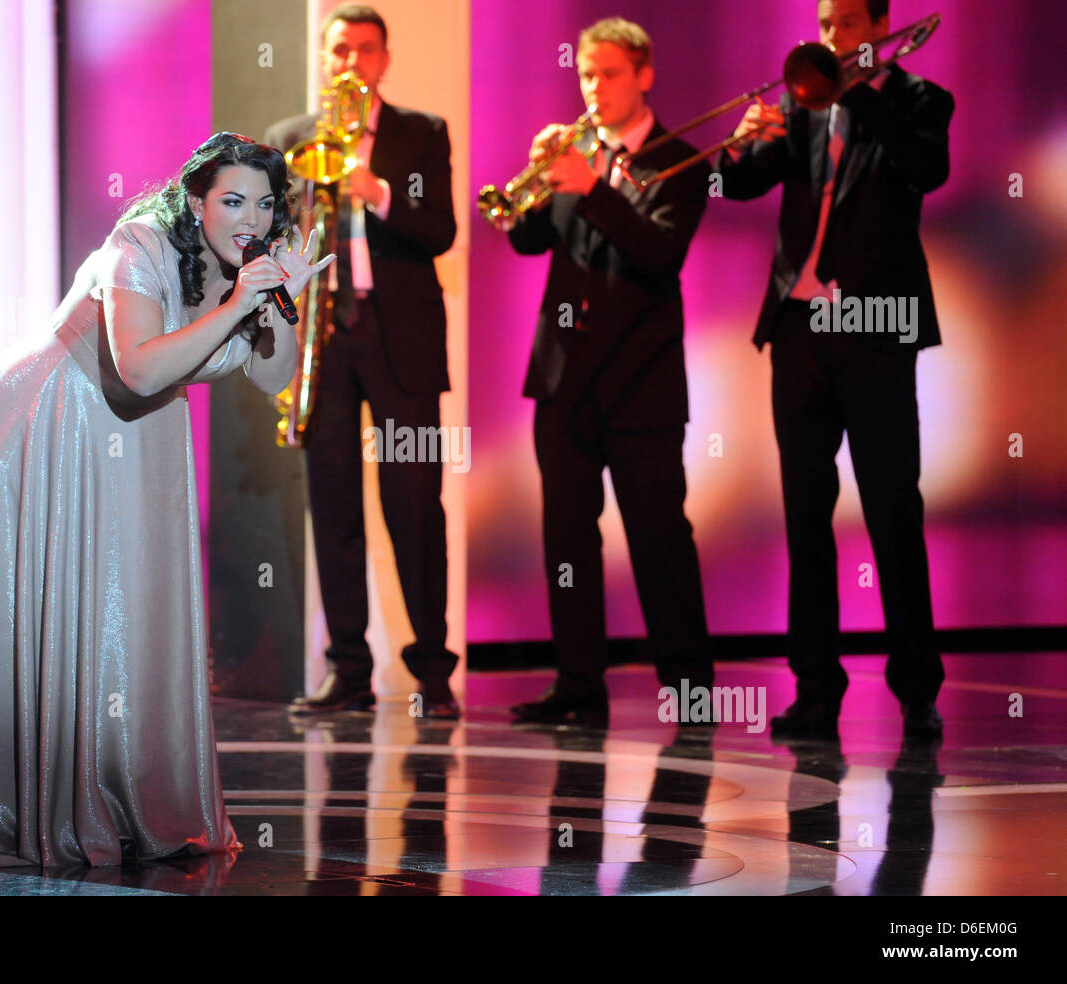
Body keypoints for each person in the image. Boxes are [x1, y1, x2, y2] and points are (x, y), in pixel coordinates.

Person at [0, 133, 334, 867]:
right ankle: (36, 809)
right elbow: (140, 370)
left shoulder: (248, 270)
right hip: (54, 417)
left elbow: (276, 383)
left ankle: (121, 797)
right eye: (232, 199)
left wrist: (277, 306)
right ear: (196, 199)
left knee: (124, 613)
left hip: (139, 436)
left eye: (264, 203)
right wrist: (242, 301)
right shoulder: (139, 242)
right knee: (63, 606)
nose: (250, 216)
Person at [717, 0, 952, 738]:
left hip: (876, 329)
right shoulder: (803, 103)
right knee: (805, 514)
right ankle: (816, 687)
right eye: (825, 25)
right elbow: (742, 187)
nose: (832, 38)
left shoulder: (920, 100)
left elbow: (928, 168)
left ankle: (916, 686)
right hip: (801, 328)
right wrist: (738, 147)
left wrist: (858, 91)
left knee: (891, 508)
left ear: (880, 26)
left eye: (847, 23)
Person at [505, 18, 713, 730]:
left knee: (658, 537)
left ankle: (689, 686)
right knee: (567, 540)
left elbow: (658, 254)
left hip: (642, 382)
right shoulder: (574, 156)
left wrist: (592, 187)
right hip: (564, 378)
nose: (593, 87)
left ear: (644, 75)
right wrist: (531, 191)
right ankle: (577, 685)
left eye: (609, 74)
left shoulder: (681, 161)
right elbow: (528, 240)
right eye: (586, 75)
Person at [264, 4, 460, 719]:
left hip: (398, 336)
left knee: (415, 509)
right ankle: (349, 670)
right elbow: (271, 249)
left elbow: (440, 230)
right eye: (339, 50)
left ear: (384, 59)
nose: (351, 62)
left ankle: (433, 674)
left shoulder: (422, 134)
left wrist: (373, 191)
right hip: (325, 337)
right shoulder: (290, 141)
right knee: (334, 505)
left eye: (364, 50)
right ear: (325, 58)